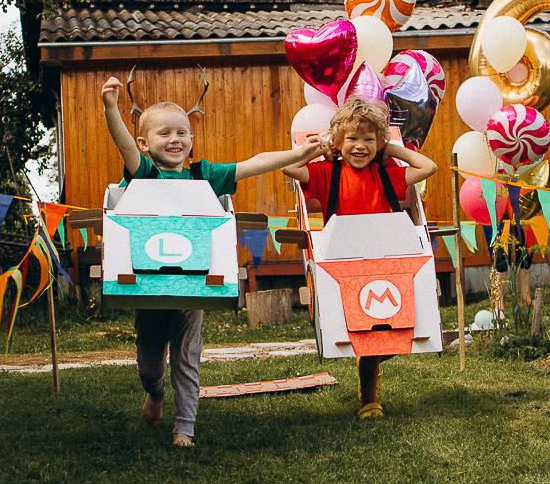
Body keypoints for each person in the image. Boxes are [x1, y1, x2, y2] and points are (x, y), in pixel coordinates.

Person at [101, 75, 318, 448]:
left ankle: (184, 428)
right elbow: (125, 150)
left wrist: (297, 155)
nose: (175, 140)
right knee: (150, 362)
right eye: (164, 133)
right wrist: (110, 108)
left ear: (191, 139)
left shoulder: (204, 174)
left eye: (182, 133)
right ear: (145, 143)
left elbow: (252, 164)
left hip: (194, 281)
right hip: (149, 282)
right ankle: (154, 392)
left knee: (187, 355)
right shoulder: (145, 173)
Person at [287, 96, 439, 419]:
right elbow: (289, 168)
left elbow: (429, 167)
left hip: (386, 258)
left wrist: (393, 149)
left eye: (369, 139)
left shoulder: (385, 175)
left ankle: (369, 378)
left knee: (389, 329)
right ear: (339, 141)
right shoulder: (328, 173)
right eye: (352, 138)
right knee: (365, 330)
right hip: (346, 260)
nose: (360, 146)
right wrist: (319, 148)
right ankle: (370, 398)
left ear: (378, 142)